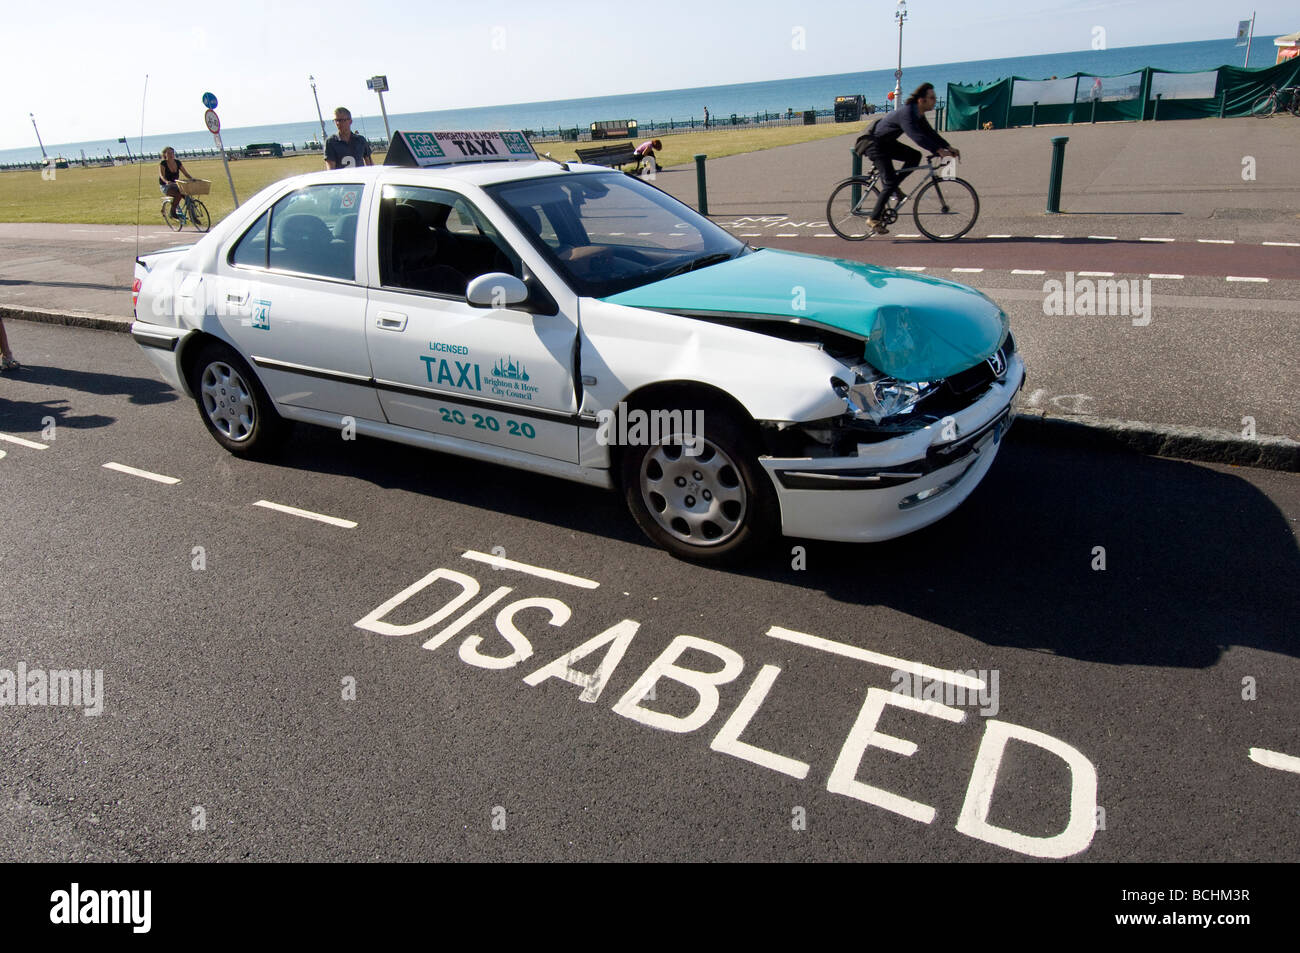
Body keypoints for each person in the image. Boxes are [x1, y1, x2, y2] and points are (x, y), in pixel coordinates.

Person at [855, 82, 959, 235]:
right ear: (921, 100)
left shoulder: (918, 114)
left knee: (914, 156)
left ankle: (894, 188)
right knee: (889, 183)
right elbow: (917, 137)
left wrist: (948, 147)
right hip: (874, 145)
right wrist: (938, 150)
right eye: (932, 98)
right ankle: (873, 218)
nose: (935, 101)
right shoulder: (908, 114)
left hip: (886, 144)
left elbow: (930, 133)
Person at [158, 147, 195, 220]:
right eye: (169, 153)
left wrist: (192, 179)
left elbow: (185, 173)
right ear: (165, 154)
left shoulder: (177, 162)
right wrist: (166, 181)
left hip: (176, 185)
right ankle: (173, 212)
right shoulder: (163, 163)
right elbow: (161, 175)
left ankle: (193, 216)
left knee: (187, 197)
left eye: (172, 153)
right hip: (166, 186)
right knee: (178, 195)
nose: (171, 155)